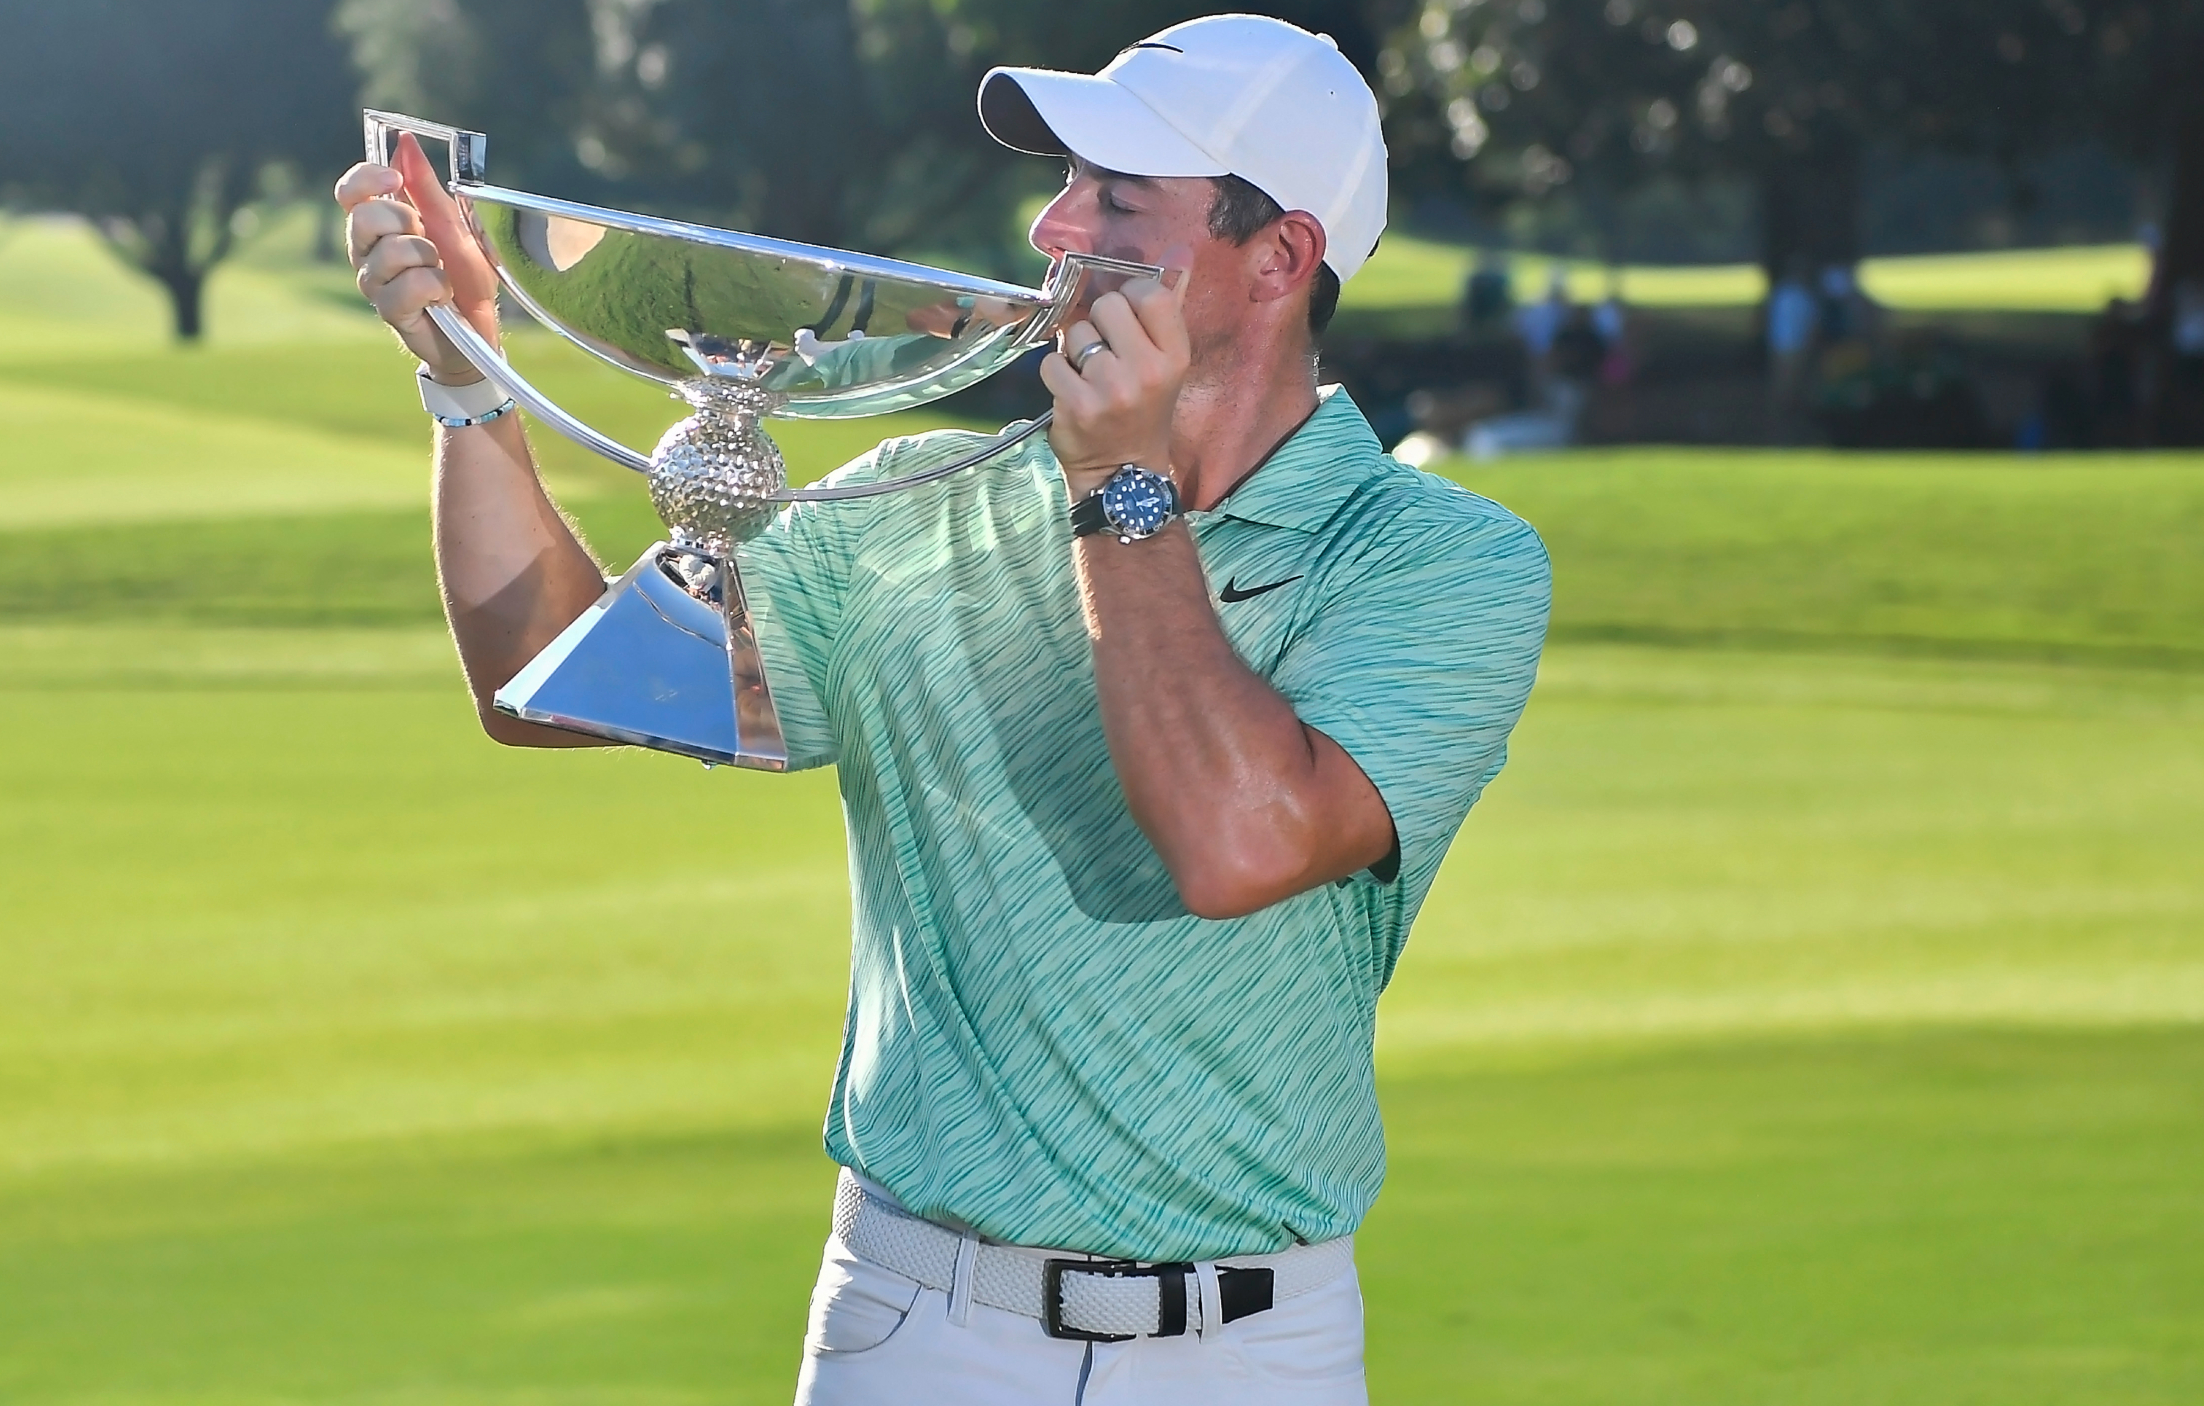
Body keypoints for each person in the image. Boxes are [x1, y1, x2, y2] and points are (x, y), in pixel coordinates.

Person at [337, 15, 1550, 1403]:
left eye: (1119, 197)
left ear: (1279, 257)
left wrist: (1118, 487)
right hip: (919, 1327)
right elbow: (545, 681)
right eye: (1067, 182)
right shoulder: (919, 502)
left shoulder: (1435, 558)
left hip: (1251, 1351)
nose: (1055, 224)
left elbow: (1238, 844)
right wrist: (466, 373)